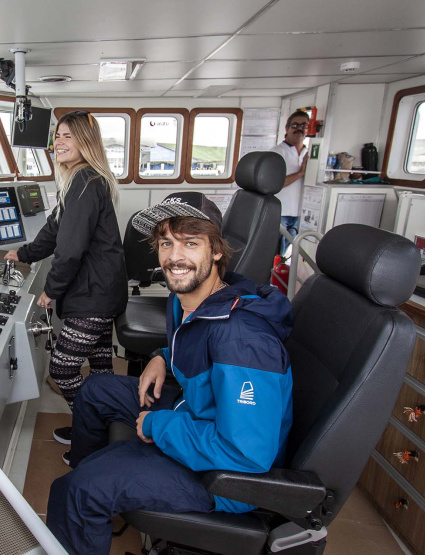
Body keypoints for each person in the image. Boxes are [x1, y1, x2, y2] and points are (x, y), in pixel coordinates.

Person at [45, 194, 294, 555]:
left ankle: (88, 498)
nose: (174, 257)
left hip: (226, 478)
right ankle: (98, 501)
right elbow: (193, 342)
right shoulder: (192, 297)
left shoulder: (242, 340)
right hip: (197, 413)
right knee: (96, 389)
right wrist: (162, 356)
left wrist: (155, 426)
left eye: (191, 243)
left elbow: (245, 455)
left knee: (75, 491)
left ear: (217, 251)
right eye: (166, 243)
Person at [4, 110, 127, 459]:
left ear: (86, 142)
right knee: (101, 367)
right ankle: (106, 427)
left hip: (94, 297)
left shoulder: (85, 182)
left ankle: (93, 434)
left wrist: (50, 290)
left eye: (68, 136)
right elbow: (55, 231)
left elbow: (71, 250)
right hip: (104, 291)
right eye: (57, 136)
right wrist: (23, 254)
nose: (59, 142)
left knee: (62, 367)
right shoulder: (77, 180)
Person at [271, 110, 310, 256]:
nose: (299, 128)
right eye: (295, 125)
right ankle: (269, 279)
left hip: (301, 214)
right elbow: (275, 183)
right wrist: (300, 173)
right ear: (287, 129)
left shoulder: (309, 153)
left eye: (303, 125)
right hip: (282, 212)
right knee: (275, 255)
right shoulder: (276, 153)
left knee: (287, 255)